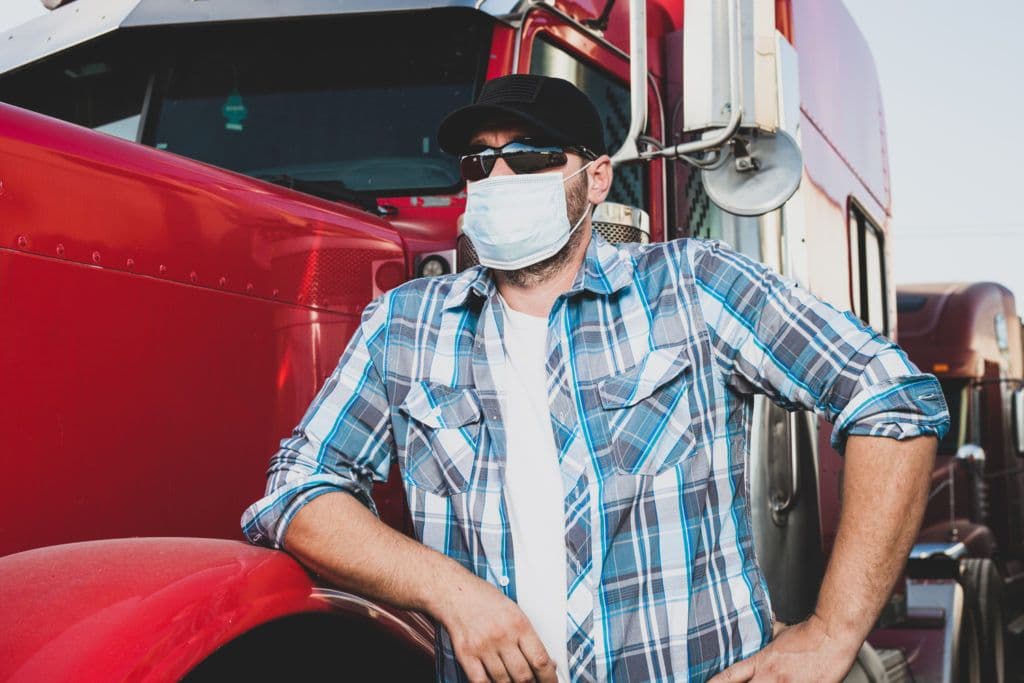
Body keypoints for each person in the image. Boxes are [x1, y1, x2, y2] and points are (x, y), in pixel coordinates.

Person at [241, 74, 948, 682]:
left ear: (596, 176)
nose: (499, 180)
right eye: (479, 163)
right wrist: (453, 593)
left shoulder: (692, 286)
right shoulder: (405, 325)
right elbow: (299, 490)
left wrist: (832, 630)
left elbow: (891, 396)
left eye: (532, 157)